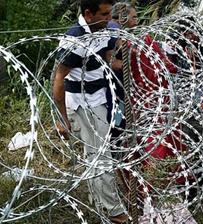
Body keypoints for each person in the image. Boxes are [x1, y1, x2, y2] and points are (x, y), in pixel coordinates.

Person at [52, 0, 127, 223]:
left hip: (103, 96)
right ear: (88, 14)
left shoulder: (105, 29)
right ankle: (115, 212)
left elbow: (108, 59)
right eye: (105, 14)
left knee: (97, 154)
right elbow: (58, 79)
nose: (109, 18)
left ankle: (99, 200)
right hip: (83, 103)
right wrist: (61, 119)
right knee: (101, 156)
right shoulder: (73, 39)